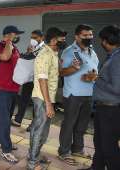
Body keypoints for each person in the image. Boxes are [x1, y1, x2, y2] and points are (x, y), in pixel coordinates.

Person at [57, 24, 99, 165]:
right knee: (69, 124)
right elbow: (61, 73)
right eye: (85, 35)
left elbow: (95, 70)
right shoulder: (69, 52)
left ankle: (77, 149)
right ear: (77, 36)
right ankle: (64, 151)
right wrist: (74, 69)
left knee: (82, 125)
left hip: (89, 94)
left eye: (90, 35)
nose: (89, 37)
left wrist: (93, 76)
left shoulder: (92, 51)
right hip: (73, 95)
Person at [27, 27, 67, 170]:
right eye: (62, 38)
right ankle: (32, 163)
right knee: (40, 130)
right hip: (43, 98)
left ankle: (34, 155)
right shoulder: (45, 55)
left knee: (42, 130)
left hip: (46, 98)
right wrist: (49, 104)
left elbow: (54, 74)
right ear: (54, 39)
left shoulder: (53, 53)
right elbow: (42, 80)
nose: (64, 41)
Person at [84, 25, 120, 170]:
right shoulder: (114, 55)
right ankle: (96, 167)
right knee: (99, 142)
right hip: (103, 108)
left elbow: (117, 88)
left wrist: (96, 78)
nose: (101, 43)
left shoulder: (117, 59)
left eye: (101, 40)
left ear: (106, 41)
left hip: (110, 110)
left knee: (108, 147)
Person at [0, 25, 24, 163]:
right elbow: (5, 57)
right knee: (5, 119)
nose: (17, 37)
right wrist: (9, 42)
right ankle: (6, 150)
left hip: (13, 88)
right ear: (8, 35)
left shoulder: (15, 48)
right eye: (15, 35)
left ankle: (0, 141)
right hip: (2, 88)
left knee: (6, 117)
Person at [12, 30, 45, 130]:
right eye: (32, 38)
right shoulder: (33, 47)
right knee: (24, 99)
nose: (33, 40)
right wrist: (28, 52)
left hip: (38, 79)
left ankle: (33, 124)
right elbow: (27, 59)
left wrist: (31, 53)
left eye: (35, 38)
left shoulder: (44, 49)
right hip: (29, 77)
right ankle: (18, 120)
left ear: (42, 38)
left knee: (36, 101)